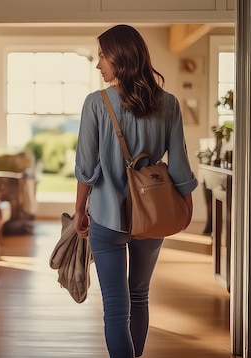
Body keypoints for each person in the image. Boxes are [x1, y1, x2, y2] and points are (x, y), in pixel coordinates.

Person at [74, 24, 197, 358]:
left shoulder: (96, 104)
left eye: (102, 55)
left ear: (121, 57)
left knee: (116, 307)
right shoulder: (168, 104)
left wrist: (79, 210)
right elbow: (181, 166)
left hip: (106, 216)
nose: (98, 64)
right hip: (153, 214)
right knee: (139, 296)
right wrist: (186, 207)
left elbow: (86, 168)